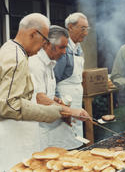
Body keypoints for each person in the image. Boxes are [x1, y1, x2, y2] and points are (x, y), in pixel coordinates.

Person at [0, 13, 81, 170]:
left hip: (17, 135)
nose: (44, 46)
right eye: (44, 41)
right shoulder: (17, 57)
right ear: (33, 34)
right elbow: (8, 104)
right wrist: (49, 112)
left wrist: (54, 105)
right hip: (13, 140)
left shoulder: (8, 48)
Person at [29, 25, 90, 150]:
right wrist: (70, 111)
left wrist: (55, 99)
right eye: (61, 47)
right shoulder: (35, 64)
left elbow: (46, 94)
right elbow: (39, 98)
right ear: (46, 44)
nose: (64, 52)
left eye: (65, 48)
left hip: (50, 124)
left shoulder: (51, 63)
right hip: (38, 129)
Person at [54, 12, 90, 149]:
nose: (86, 33)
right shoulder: (62, 49)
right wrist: (60, 105)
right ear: (70, 27)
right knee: (63, 143)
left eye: (87, 29)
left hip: (76, 102)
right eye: (82, 28)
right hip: (64, 101)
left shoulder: (79, 49)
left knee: (75, 140)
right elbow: (54, 80)